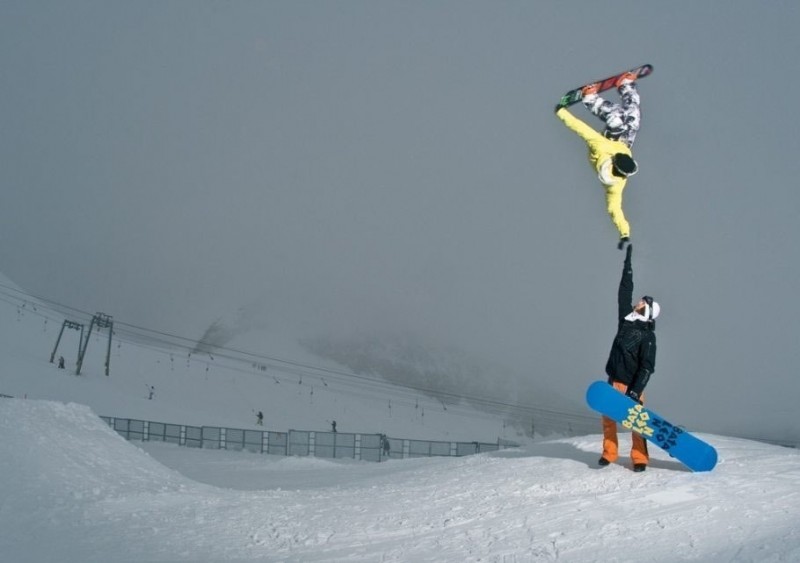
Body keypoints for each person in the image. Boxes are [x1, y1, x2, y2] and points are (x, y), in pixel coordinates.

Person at [555, 71, 642, 249]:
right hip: (625, 143)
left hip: (611, 140)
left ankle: (591, 99)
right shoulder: (618, 183)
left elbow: (582, 129)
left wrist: (561, 112)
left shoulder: (601, 148)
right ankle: (625, 85)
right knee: (634, 116)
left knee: (616, 119)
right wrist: (625, 232)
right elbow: (615, 211)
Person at [598, 244, 659, 472]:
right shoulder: (625, 321)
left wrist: (635, 391)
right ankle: (609, 453)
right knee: (608, 420)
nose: (638, 302)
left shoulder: (648, 337)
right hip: (614, 380)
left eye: (642, 302)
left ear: (647, 311)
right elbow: (623, 292)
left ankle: (640, 458)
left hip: (633, 385)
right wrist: (628, 266)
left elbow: (647, 367)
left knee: (637, 423)